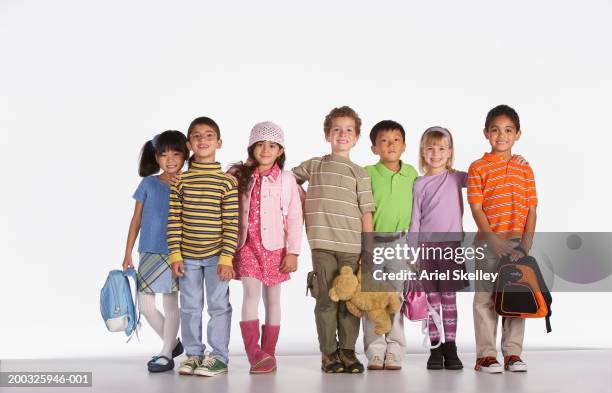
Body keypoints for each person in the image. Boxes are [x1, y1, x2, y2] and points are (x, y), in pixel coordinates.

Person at [292, 106, 374, 373]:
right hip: (322, 244)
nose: (342, 134)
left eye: (349, 130)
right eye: (337, 129)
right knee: (326, 300)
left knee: (350, 302)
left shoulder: (359, 173)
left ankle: (348, 352)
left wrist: (368, 248)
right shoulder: (314, 165)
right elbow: (285, 181)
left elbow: (366, 212)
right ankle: (329, 353)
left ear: (357, 137)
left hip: (352, 247)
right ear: (328, 134)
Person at [468, 105, 538, 373]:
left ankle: (512, 354)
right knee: (484, 299)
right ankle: (485, 356)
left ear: (517, 134)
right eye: (495, 130)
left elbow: (532, 209)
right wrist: (493, 239)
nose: (501, 135)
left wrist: (526, 245)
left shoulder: (525, 169)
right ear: (486, 133)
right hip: (487, 245)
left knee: (516, 297)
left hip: (517, 245)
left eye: (508, 130)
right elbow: (476, 208)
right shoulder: (478, 167)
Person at [168, 117, 239, 377]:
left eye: (209, 135)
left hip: (217, 258)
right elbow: (174, 219)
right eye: (196, 136)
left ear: (219, 143)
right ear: (189, 144)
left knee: (218, 306)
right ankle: (193, 355)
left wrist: (226, 258)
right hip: (187, 257)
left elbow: (231, 223)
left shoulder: (226, 183)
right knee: (190, 306)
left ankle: (218, 357)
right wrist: (175, 254)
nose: (203, 140)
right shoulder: (182, 182)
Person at [231, 122, 304, 374]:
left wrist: (293, 252)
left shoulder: (286, 179)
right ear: (251, 147)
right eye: (260, 144)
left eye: (272, 145)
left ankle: (268, 353)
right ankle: (254, 353)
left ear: (280, 150)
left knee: (273, 299)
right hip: (246, 246)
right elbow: (220, 190)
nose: (265, 149)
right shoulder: (239, 175)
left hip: (275, 248)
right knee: (250, 294)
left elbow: (295, 217)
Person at [121, 130, 188, 372]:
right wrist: (128, 252)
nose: (170, 159)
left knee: (171, 303)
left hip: (175, 252)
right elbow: (136, 219)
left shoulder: (188, 182)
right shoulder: (148, 183)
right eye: (164, 154)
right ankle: (173, 344)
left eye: (176, 153)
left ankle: (165, 354)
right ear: (156, 157)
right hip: (148, 251)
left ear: (185, 155)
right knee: (146, 306)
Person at [409, 126, 468, 370]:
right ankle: (435, 348)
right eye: (430, 148)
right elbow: (415, 219)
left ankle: (451, 347)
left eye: (442, 148)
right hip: (426, 249)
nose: (436, 153)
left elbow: (482, 176)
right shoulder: (419, 183)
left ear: (450, 152)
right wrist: (412, 254)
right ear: (423, 152)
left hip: (451, 247)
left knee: (449, 300)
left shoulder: (456, 177)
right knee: (432, 301)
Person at [363, 120, 417, 371]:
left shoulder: (412, 174)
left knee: (396, 297)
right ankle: (375, 349)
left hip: (400, 242)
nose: (390, 145)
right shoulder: (367, 173)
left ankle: (395, 349)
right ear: (374, 148)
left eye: (396, 140)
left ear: (404, 146)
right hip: (373, 243)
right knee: (373, 298)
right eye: (384, 140)